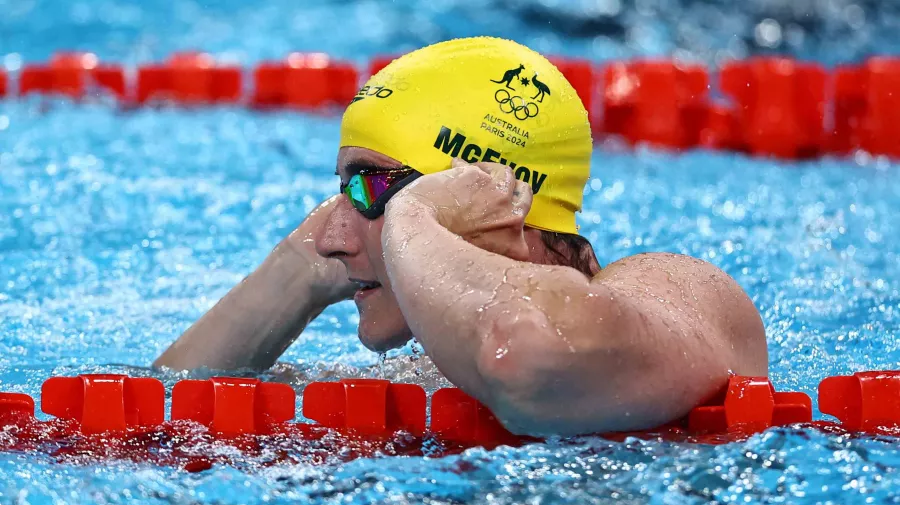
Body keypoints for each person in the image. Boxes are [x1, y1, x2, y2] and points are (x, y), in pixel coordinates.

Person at [155, 37, 767, 436]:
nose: (334, 236)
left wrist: (414, 219)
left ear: (478, 189)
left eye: (367, 185)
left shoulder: (681, 291)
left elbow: (528, 355)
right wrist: (297, 274)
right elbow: (162, 412)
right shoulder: (418, 381)